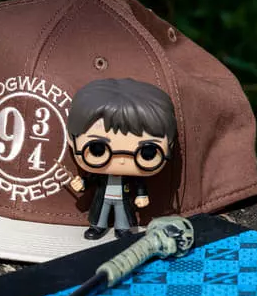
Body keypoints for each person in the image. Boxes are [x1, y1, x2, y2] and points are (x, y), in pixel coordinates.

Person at [67, 78, 177, 239]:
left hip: (122, 198)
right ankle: (98, 227)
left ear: (170, 145)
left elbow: (139, 184)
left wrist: (141, 195)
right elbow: (92, 179)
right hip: (103, 196)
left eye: (147, 152)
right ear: (71, 140)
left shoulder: (130, 177)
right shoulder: (101, 174)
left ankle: (122, 229)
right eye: (98, 149)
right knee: (101, 212)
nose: (122, 160)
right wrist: (82, 183)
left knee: (122, 214)